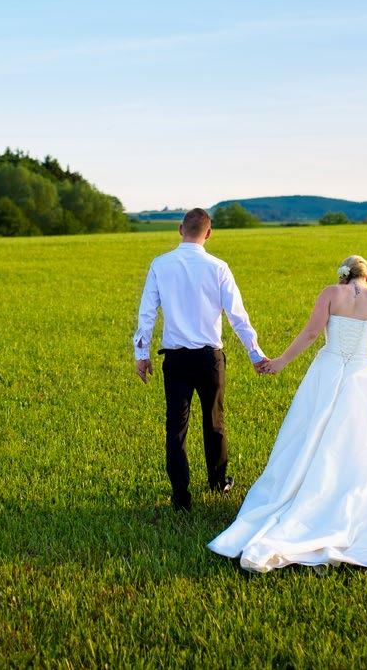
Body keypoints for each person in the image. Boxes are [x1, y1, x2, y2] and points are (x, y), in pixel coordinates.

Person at [208, 254, 367, 570]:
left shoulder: (330, 294)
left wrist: (279, 362)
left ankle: (303, 496)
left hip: (328, 369)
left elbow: (309, 335)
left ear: (343, 276)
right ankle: (353, 500)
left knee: (311, 433)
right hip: (362, 375)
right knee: (361, 441)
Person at [133, 207, 266, 511]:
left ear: (181, 229)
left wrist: (141, 355)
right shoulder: (218, 267)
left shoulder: (160, 265)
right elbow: (237, 316)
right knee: (214, 423)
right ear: (208, 233)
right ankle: (218, 483)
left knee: (175, 428)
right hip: (210, 359)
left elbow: (147, 313)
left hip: (176, 361)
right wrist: (255, 354)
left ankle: (181, 497)